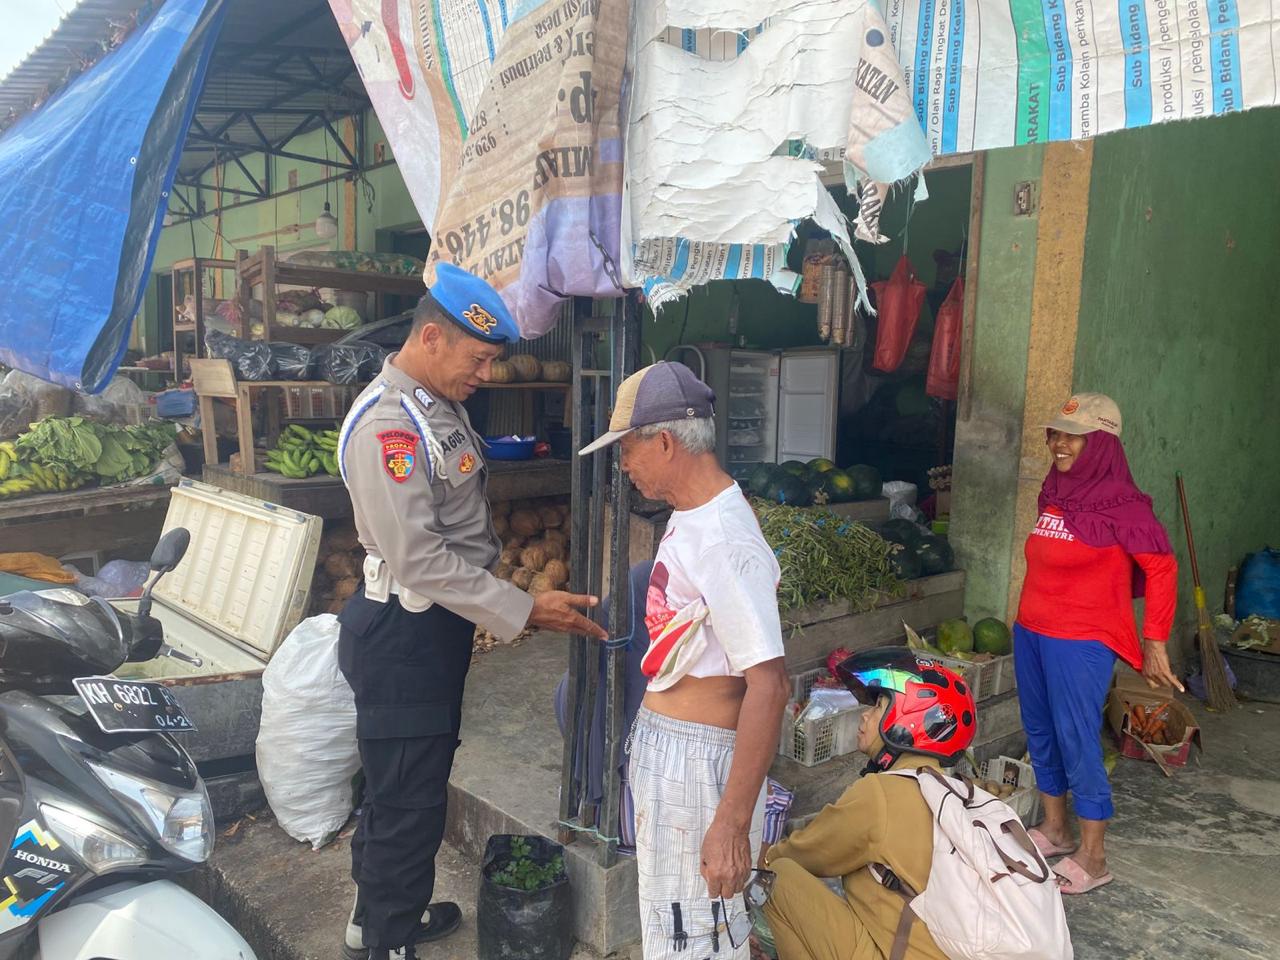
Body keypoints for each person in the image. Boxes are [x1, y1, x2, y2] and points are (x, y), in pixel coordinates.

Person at [337, 264, 606, 960]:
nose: (485, 373)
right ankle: (388, 944)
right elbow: (420, 559)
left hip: (430, 630)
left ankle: (376, 918)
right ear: (431, 337)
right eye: (478, 357)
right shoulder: (389, 427)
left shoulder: (435, 404)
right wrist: (522, 607)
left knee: (400, 784)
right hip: (404, 633)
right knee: (410, 802)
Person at [578, 361, 791, 959]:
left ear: (665, 442)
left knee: (696, 936)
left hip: (700, 763)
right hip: (673, 751)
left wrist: (730, 823)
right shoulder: (693, 517)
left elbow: (769, 687)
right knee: (680, 928)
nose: (623, 465)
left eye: (627, 449)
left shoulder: (725, 538)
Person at [1014, 393, 1178, 895]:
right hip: (1032, 630)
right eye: (1056, 433)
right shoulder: (1057, 489)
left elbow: (1162, 567)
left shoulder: (1124, 507)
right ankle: (1055, 829)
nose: (1059, 444)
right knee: (1039, 730)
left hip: (1081, 639)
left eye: (1073, 436)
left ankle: (1094, 854)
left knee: (1077, 736)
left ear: (1101, 443)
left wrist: (1154, 640)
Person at [760, 648, 977, 960]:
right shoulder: (958, 792)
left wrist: (752, 862)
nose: (865, 714)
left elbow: (800, 854)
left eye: (878, 706)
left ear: (908, 721)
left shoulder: (882, 793)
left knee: (779, 877)